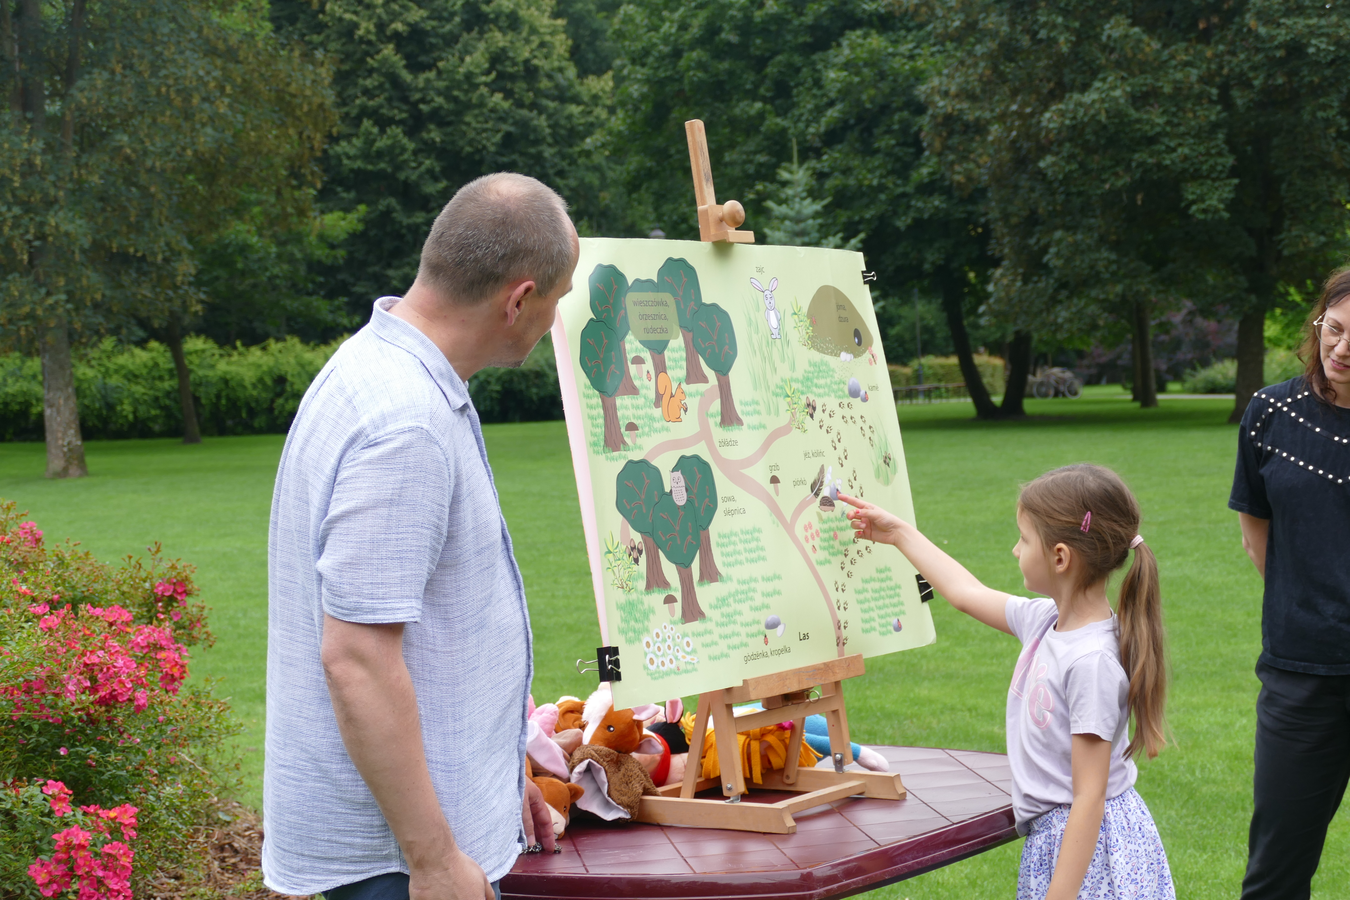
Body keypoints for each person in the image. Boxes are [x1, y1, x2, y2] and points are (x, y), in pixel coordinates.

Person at [262, 173, 580, 900]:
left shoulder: (380, 368)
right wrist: (434, 857)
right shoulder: (406, 423)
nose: (554, 318)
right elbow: (358, 661)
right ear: (519, 300)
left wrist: (496, 783)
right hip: (395, 863)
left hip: (418, 835)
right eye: (557, 299)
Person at [841, 464, 1174, 900]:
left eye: (1024, 539)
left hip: (1090, 851)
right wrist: (899, 533)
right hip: (1062, 838)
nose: (1015, 549)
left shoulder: (1090, 663)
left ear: (1060, 557)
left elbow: (1089, 798)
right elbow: (966, 593)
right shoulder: (1046, 622)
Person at [1230, 267, 1350, 899]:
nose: (1342, 348)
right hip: (1300, 676)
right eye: (1334, 329)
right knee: (1275, 873)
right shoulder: (1270, 412)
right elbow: (1258, 536)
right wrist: (1309, 602)